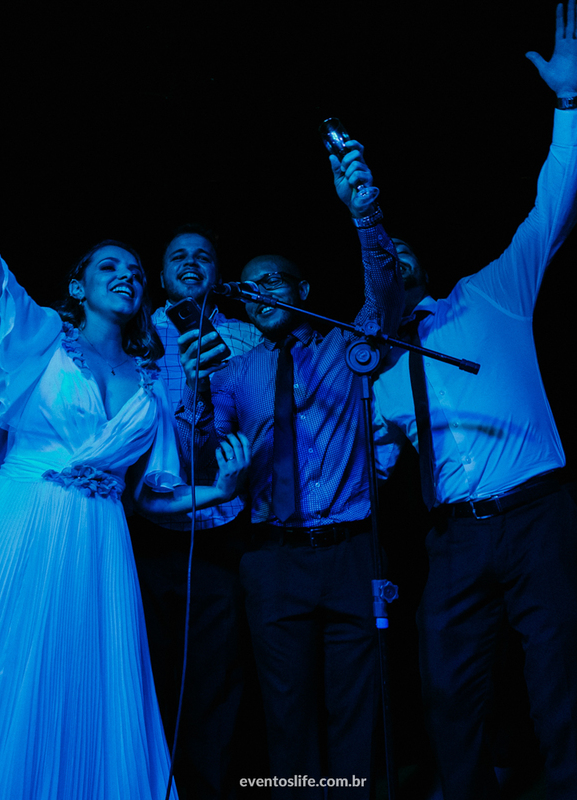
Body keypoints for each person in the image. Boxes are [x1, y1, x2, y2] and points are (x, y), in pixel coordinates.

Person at [0, 28, 250, 800]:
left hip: (99, 550)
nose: (128, 275)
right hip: (22, 523)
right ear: (78, 285)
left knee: (81, 708)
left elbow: (155, 497)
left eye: (135, 270)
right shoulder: (35, 339)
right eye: (110, 266)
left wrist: (224, 491)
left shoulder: (151, 381)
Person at [373, 4, 577, 798]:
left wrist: (568, 106)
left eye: (400, 253)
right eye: (376, 258)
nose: (390, 262)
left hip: (536, 512)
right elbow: (378, 467)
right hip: (454, 538)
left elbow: (550, 209)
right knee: (448, 691)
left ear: (421, 267)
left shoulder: (490, 294)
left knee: (559, 683)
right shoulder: (378, 370)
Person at [177, 142, 403, 798]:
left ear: (303, 289)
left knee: (355, 706)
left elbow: (385, 294)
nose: (258, 290)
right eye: (248, 285)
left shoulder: (345, 344)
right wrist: (194, 396)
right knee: (287, 711)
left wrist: (365, 215)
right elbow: (206, 447)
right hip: (272, 559)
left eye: (272, 278)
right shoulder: (233, 369)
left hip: (351, 552)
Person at [128, 224, 264, 799]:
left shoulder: (246, 337)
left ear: (216, 272)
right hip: (148, 530)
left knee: (214, 674)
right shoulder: (138, 336)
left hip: (220, 531)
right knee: (146, 670)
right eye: (177, 257)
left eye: (202, 256)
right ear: (160, 277)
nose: (190, 263)